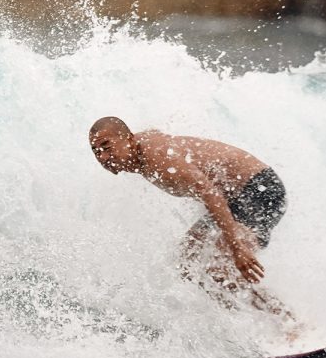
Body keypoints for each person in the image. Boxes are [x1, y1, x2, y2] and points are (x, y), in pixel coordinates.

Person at [88, 116, 294, 319]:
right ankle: (240, 322)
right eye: (96, 151)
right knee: (187, 261)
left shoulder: (159, 159)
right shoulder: (139, 147)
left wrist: (237, 247)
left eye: (107, 147)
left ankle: (288, 320)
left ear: (130, 139)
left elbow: (211, 194)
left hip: (259, 190)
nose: (103, 157)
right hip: (232, 201)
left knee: (220, 267)